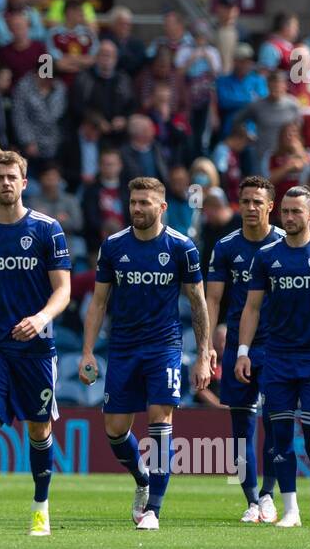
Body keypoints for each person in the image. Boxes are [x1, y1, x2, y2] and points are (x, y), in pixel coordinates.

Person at [79, 177, 212, 531]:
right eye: (133, 202)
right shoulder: (113, 246)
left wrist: (202, 354)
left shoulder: (182, 247)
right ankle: (141, 477)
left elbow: (198, 303)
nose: (137, 208)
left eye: (145, 203)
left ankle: (153, 509)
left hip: (164, 346)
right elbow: (99, 301)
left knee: (159, 419)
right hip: (122, 348)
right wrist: (88, 351)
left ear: (162, 207)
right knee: (115, 429)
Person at [0, 149, 72, 538]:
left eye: (13, 177)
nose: (6, 183)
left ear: (24, 183)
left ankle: (40, 508)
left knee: (39, 430)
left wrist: (41, 317)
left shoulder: (47, 229)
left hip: (37, 347)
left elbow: (64, 290)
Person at [235, 186, 310, 527]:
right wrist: (243, 351)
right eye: (284, 211)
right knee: (279, 434)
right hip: (277, 357)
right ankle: (290, 510)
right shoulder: (267, 256)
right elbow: (251, 308)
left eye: (295, 211)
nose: (288, 217)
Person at [204, 177, 285, 524]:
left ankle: (269, 494)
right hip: (239, 345)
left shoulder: (286, 243)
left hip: (280, 345)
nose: (251, 208)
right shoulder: (225, 247)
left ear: (270, 206)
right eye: (246, 201)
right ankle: (252, 500)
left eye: (258, 202)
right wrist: (206, 344)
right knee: (240, 429)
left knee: (275, 422)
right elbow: (213, 298)